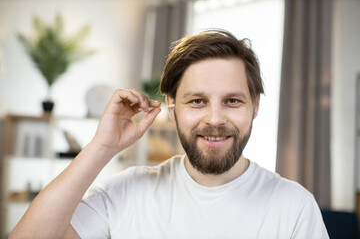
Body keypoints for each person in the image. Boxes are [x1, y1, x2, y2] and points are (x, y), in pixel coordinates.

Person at [9, 30, 329, 239]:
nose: (215, 119)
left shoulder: (294, 207)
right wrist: (102, 147)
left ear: (255, 106)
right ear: (172, 108)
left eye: (232, 101)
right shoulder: (124, 192)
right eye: (197, 101)